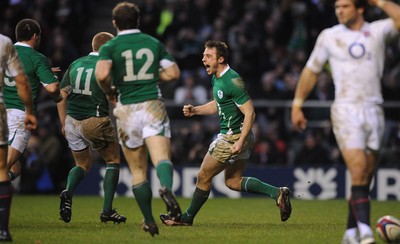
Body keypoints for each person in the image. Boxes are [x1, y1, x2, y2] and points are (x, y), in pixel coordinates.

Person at [290, 0, 400, 243]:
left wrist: (379, 1)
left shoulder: (378, 31)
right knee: (358, 170)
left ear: (360, 8)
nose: (339, 10)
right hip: (345, 109)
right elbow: (311, 70)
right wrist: (298, 104)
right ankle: (366, 232)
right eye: (337, 7)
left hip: (374, 109)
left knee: (365, 177)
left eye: (345, 6)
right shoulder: (329, 36)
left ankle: (350, 233)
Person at [160, 40, 292, 227]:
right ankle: (277, 193)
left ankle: (186, 218)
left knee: (203, 176)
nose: (203, 58)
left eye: (208, 56)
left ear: (220, 59)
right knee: (233, 181)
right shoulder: (217, 77)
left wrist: (239, 141)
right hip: (239, 137)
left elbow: (250, 112)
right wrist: (196, 110)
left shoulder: (232, 81)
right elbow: (219, 103)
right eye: (204, 55)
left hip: (233, 137)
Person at [95, 2, 182, 237]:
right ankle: (166, 188)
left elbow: (102, 74)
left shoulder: (110, 46)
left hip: (126, 110)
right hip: (152, 104)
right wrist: (152, 75)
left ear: (114, 23)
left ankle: (149, 220)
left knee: (138, 169)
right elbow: (174, 73)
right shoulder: (153, 43)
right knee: (161, 158)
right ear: (138, 21)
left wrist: (110, 90)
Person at [57, 32, 127, 224]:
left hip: (72, 120)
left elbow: (61, 94)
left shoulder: (76, 63)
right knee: (113, 160)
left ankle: (68, 192)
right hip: (95, 119)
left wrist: (63, 122)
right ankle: (107, 211)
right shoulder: (107, 66)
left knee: (82, 164)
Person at [3, 19, 62, 183]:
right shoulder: (37, 58)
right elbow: (52, 88)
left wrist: (37, 74)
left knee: (15, 168)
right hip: (19, 116)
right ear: (35, 36)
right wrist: (55, 84)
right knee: (4, 167)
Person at [0, 33, 37, 241]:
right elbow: (22, 82)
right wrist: (30, 110)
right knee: (3, 169)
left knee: (15, 168)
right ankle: (3, 230)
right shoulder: (4, 42)